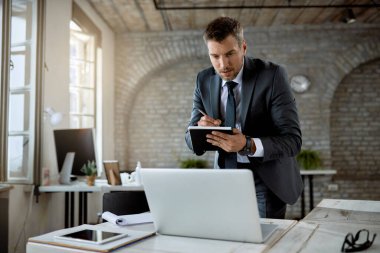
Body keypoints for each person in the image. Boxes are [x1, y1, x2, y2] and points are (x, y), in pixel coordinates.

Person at [185, 16, 303, 219]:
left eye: (230, 54)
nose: (223, 64)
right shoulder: (203, 80)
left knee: (262, 246)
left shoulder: (272, 76)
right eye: (215, 56)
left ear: (244, 48)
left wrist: (247, 145)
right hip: (223, 178)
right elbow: (189, 139)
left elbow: (292, 141)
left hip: (265, 180)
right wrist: (199, 128)